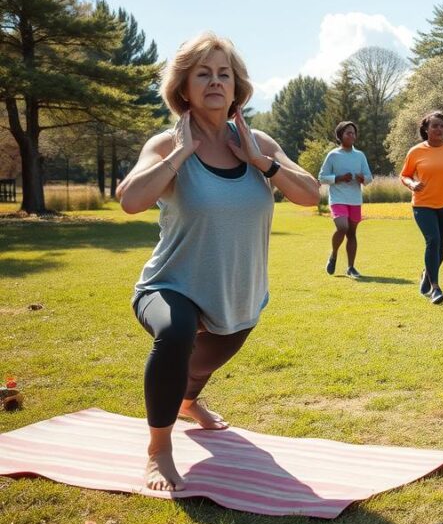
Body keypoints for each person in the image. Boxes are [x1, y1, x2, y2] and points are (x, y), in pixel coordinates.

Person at [117, 32, 320, 492]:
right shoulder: (166, 143)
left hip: (237, 289)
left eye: (223, 74)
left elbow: (310, 195)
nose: (215, 82)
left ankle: (188, 399)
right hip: (170, 283)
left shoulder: (257, 141)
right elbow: (130, 200)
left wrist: (261, 162)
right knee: (176, 335)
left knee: (204, 362)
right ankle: (159, 450)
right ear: (183, 88)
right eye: (202, 74)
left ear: (237, 87)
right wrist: (181, 154)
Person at [400, 111, 443, 304]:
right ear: (426, 129)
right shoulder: (416, 151)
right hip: (423, 204)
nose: (439, 129)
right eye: (435, 126)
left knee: (442, 247)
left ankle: (426, 275)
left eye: (442, 126)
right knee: (433, 240)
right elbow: (404, 175)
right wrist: (411, 184)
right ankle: (435, 288)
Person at [318, 121, 373, 278]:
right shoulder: (333, 155)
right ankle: (334, 254)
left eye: (353, 133)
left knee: (351, 234)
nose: (352, 135)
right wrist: (339, 178)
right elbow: (321, 177)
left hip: (355, 199)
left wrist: (363, 179)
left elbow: (369, 178)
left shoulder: (360, 155)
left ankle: (351, 267)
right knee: (342, 227)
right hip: (338, 198)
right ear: (340, 135)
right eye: (348, 133)